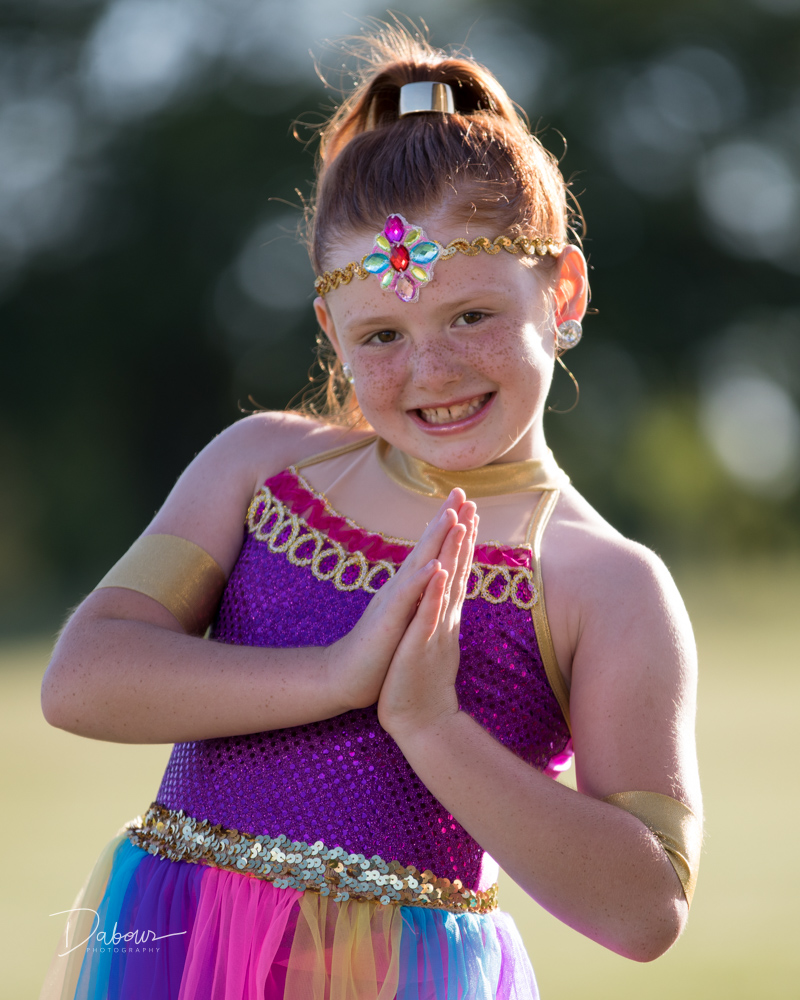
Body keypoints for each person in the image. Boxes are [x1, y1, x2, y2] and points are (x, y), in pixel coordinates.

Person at [40, 26, 702, 1000]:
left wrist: (430, 725)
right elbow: (81, 682)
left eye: (470, 316)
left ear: (562, 292)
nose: (431, 369)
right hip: (182, 955)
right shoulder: (263, 467)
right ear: (330, 330)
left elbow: (647, 909)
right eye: (382, 335)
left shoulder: (605, 584)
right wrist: (335, 674)